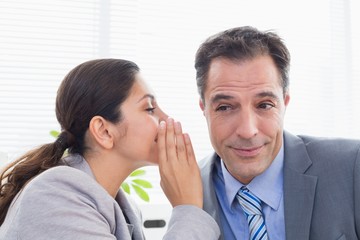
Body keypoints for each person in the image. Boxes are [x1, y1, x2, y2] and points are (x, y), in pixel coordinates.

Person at [0, 59, 220, 239]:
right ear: (104, 131)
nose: (166, 119)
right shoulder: (54, 196)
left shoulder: (124, 208)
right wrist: (188, 208)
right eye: (150, 108)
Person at [194, 26, 360, 240]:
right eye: (225, 107)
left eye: (264, 105)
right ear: (204, 109)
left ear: (284, 103)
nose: (247, 131)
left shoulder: (351, 166)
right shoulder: (190, 194)